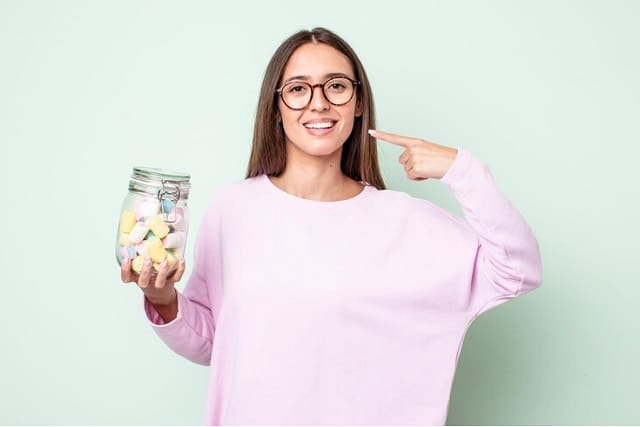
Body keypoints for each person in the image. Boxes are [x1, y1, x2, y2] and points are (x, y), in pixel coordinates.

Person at [120, 27, 543, 425]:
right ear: (276, 106)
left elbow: (518, 271)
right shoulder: (234, 208)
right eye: (299, 89)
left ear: (358, 103)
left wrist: (460, 169)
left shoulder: (405, 220)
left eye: (336, 86)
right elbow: (216, 342)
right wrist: (163, 298)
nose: (318, 103)